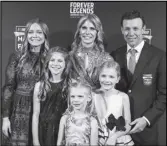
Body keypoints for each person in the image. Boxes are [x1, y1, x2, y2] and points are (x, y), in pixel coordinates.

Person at [111, 10, 166, 145]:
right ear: (122, 30)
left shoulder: (159, 56)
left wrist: (146, 119)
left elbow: (164, 94)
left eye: (135, 28)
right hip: (118, 131)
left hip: (146, 132)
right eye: (127, 29)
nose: (131, 33)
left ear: (144, 29)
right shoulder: (115, 55)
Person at [2, 18, 49, 145]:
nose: (35, 36)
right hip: (19, 111)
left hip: (42, 111)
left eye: (39, 32)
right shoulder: (17, 57)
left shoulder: (51, 58)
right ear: (26, 35)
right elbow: (9, 87)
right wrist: (5, 118)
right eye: (31, 32)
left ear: (45, 36)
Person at [32, 46, 71, 146]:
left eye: (60, 61)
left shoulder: (70, 85)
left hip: (63, 131)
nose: (56, 64)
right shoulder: (40, 86)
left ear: (66, 64)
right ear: (47, 63)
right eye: (52, 60)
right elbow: (36, 114)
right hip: (44, 132)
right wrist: (36, 141)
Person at [93, 60, 134, 146]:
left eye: (111, 77)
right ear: (99, 77)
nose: (107, 80)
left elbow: (128, 125)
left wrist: (114, 137)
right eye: (103, 76)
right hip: (98, 140)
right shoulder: (93, 95)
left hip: (119, 140)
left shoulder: (123, 97)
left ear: (118, 79)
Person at [70, 13, 114, 88]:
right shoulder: (70, 57)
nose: (87, 32)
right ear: (79, 31)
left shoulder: (107, 59)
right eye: (84, 28)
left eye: (92, 29)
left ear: (97, 33)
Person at [57, 81, 98, 146]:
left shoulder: (92, 121)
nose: (76, 100)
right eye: (73, 96)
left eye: (80, 96)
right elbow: (59, 143)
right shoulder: (64, 119)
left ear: (89, 98)